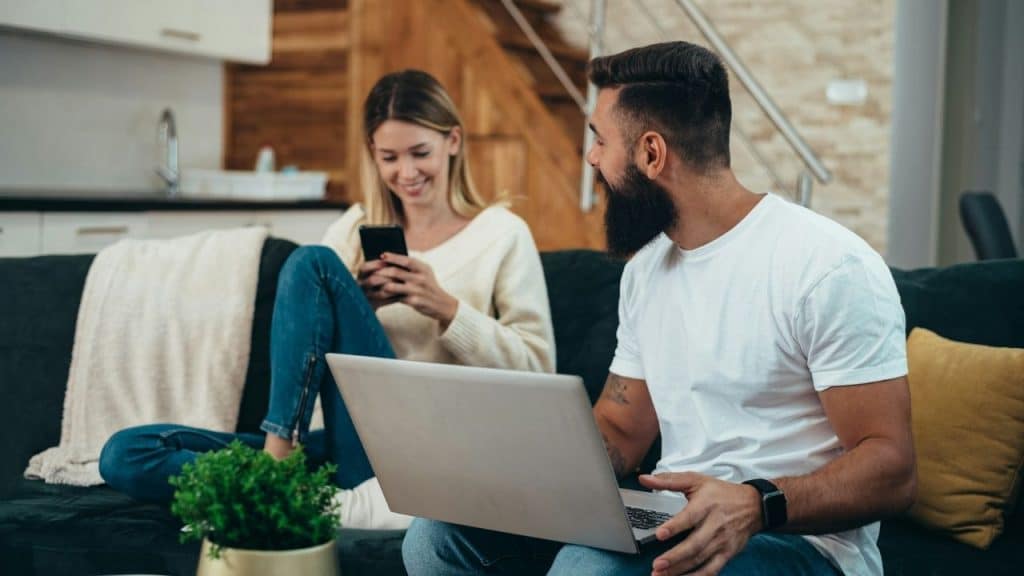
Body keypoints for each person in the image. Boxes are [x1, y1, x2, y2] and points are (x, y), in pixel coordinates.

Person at [402, 41, 916, 576]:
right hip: (671, 517)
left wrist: (756, 502)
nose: (592, 158)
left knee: (588, 567)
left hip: (799, 543)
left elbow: (893, 469)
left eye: (600, 140)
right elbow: (622, 430)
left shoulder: (827, 266)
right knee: (435, 538)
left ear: (652, 153)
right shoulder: (647, 270)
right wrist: (518, 471)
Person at [99, 69, 556, 530]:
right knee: (126, 454)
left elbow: (541, 373)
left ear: (453, 141)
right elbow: (308, 339)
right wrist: (359, 308)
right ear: (373, 156)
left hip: (436, 448)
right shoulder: (354, 226)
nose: (407, 172)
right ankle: (284, 477)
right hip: (352, 442)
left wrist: (444, 307)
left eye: (421, 153)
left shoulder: (502, 234)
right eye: (389, 157)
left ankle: (277, 466)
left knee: (313, 262)